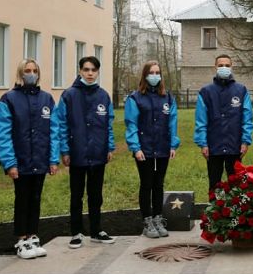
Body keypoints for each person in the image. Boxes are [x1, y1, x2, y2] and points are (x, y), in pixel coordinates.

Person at [0, 59, 59, 259]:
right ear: (20, 73)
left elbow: (53, 131)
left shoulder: (47, 99)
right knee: (22, 199)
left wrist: (53, 159)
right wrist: (10, 162)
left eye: (34, 70)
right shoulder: (9, 99)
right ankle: (22, 239)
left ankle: (33, 236)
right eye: (27, 70)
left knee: (35, 198)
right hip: (20, 161)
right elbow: (3, 133)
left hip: (40, 160)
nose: (31, 73)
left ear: (39, 74)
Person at [53, 55, 115, 249]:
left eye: (93, 70)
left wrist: (109, 147)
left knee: (96, 195)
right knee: (76, 194)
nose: (90, 73)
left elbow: (109, 124)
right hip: (77, 152)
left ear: (97, 72)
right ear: (80, 70)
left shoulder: (103, 95)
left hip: (98, 153)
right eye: (86, 69)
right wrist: (65, 150)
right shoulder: (69, 95)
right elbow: (61, 124)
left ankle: (96, 230)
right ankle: (76, 232)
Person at [125, 60, 180, 238]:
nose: (155, 76)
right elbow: (131, 124)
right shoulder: (135, 98)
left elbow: (173, 123)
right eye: (152, 72)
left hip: (163, 148)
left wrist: (173, 144)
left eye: (158, 72)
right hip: (144, 149)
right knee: (146, 184)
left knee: (159, 184)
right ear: (145, 75)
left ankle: (158, 218)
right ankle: (147, 221)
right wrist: (136, 147)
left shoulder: (168, 98)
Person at [194, 54, 253, 191]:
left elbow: (247, 118)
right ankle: (214, 211)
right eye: (221, 65)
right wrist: (203, 143)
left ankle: (235, 212)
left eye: (227, 65)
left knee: (237, 185)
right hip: (213, 147)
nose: (224, 68)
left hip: (235, 146)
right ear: (215, 67)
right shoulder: (205, 92)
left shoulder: (241, 90)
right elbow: (200, 120)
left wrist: (245, 141)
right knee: (214, 184)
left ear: (231, 67)